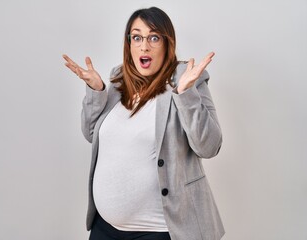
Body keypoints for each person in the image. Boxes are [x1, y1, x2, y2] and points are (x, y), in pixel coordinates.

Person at [62, 6, 224, 240]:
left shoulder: (186, 81)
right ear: (128, 43)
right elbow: (91, 134)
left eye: (154, 37)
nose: (144, 46)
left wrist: (186, 94)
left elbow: (209, 147)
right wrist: (96, 91)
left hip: (160, 231)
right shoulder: (118, 82)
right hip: (105, 229)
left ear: (167, 43)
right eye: (136, 37)